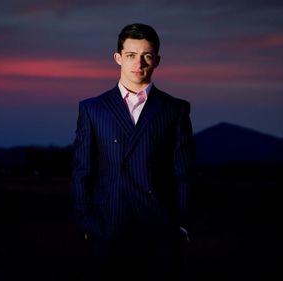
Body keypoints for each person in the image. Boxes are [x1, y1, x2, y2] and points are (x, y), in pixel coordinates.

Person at [71, 23, 195, 281]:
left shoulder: (175, 109)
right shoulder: (93, 109)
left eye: (147, 56)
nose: (139, 63)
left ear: (157, 61)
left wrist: (181, 225)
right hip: (109, 227)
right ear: (118, 58)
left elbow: (183, 172)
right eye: (131, 55)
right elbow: (82, 170)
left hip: (159, 228)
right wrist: (87, 222)